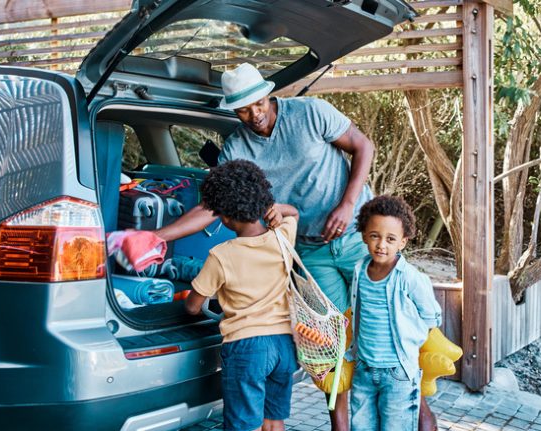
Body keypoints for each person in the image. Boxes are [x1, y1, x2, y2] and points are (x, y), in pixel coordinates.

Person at [156, 63, 438, 430]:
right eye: (243, 109)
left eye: (258, 103)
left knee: (389, 323)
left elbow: (362, 146)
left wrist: (348, 205)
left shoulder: (311, 113)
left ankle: (421, 414)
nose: (254, 115)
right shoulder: (237, 147)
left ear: (268, 94)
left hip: (358, 238)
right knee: (330, 341)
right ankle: (339, 424)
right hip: (309, 251)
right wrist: (158, 236)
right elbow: (212, 205)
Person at [184, 160, 300, 431]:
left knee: (244, 425)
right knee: (273, 421)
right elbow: (293, 213)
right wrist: (276, 210)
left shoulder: (221, 255)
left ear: (224, 216)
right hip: (284, 344)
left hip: (247, 348)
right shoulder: (283, 236)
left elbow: (192, 306)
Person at [346, 196, 442, 430]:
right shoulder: (359, 270)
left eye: (390, 239)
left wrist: (412, 337)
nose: (382, 245)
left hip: (398, 373)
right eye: (375, 236)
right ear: (363, 235)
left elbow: (432, 316)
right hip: (364, 368)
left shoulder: (409, 277)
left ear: (403, 242)